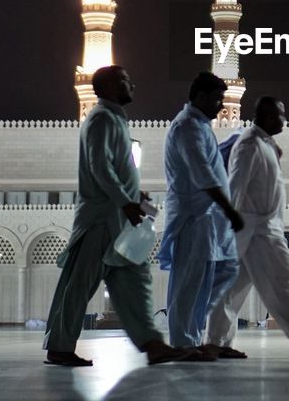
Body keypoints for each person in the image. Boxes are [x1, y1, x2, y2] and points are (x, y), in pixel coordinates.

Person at [42, 66, 196, 367]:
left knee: (135, 283)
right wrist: (126, 201)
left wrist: (134, 196)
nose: (132, 85)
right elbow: (100, 168)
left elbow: (113, 170)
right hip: (101, 220)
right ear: (110, 87)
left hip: (119, 221)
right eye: (125, 81)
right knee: (80, 286)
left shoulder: (113, 120)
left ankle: (152, 344)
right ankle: (60, 346)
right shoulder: (100, 119)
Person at [202, 96, 289, 358]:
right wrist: (231, 220)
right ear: (266, 117)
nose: (284, 120)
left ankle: (215, 342)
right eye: (280, 115)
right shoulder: (250, 144)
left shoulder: (263, 143)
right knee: (283, 276)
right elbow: (236, 184)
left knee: (231, 288)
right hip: (256, 229)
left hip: (260, 227)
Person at [159, 72, 245, 354]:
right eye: (217, 99)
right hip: (191, 217)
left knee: (204, 283)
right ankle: (183, 342)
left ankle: (193, 340)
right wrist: (230, 210)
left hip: (206, 220)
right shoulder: (187, 128)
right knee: (188, 283)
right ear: (199, 96)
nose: (221, 105)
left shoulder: (200, 127)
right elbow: (203, 175)